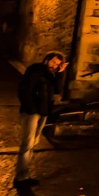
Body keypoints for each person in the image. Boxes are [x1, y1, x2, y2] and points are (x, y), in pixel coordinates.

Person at [16, 52, 65, 188]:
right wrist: (30, 108)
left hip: (43, 112)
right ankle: (21, 177)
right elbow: (24, 89)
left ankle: (24, 175)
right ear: (47, 59)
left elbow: (57, 90)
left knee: (34, 143)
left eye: (57, 64)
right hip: (32, 112)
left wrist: (60, 73)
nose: (55, 66)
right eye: (54, 62)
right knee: (27, 144)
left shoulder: (50, 74)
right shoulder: (35, 69)